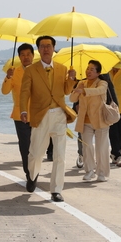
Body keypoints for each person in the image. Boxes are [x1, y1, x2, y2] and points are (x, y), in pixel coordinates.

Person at [20, 36, 77, 202]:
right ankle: (32, 175)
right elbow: (24, 92)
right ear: (38, 49)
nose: (46, 49)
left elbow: (65, 91)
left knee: (60, 155)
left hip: (59, 113)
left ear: (53, 48)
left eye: (49, 46)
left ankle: (56, 190)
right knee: (36, 153)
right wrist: (23, 110)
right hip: (40, 115)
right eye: (42, 46)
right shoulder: (31, 70)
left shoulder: (62, 68)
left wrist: (71, 79)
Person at [70, 60, 112, 182]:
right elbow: (72, 98)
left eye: (92, 69)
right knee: (86, 146)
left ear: (98, 72)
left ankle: (102, 172)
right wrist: (77, 89)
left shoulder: (102, 83)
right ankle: (89, 171)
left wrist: (84, 91)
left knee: (101, 148)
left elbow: (99, 91)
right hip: (85, 121)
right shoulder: (82, 83)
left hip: (100, 121)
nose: (88, 71)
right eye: (88, 69)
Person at [1, 43, 36, 180]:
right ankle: (30, 174)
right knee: (25, 145)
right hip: (20, 114)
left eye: (28, 54)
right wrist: (8, 77)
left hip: (37, 114)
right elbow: (4, 91)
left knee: (37, 147)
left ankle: (34, 170)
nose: (26, 57)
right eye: (23, 55)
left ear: (33, 56)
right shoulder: (14, 72)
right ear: (19, 57)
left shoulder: (39, 71)